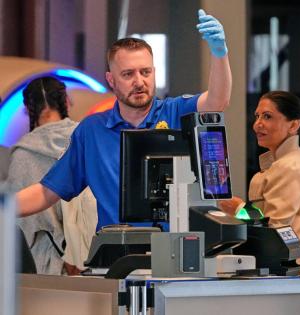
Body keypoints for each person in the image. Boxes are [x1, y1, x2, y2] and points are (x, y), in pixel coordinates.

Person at [15, 9, 232, 231]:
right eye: (128, 74)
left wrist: (219, 53)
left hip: (175, 251)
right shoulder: (92, 131)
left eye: (145, 72)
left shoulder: (175, 111)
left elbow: (217, 101)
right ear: (111, 79)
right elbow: (48, 191)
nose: (139, 82)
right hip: (115, 254)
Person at [219, 91, 300, 278]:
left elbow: (274, 229)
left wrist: (239, 209)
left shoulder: (290, 166)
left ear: (293, 125)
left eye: (267, 116)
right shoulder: (296, 161)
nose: (258, 124)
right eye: (257, 116)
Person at [7, 77, 97, 275]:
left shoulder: (23, 155)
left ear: (28, 109)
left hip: (46, 266)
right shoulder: (86, 140)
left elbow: (20, 225)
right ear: (66, 102)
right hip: (92, 259)